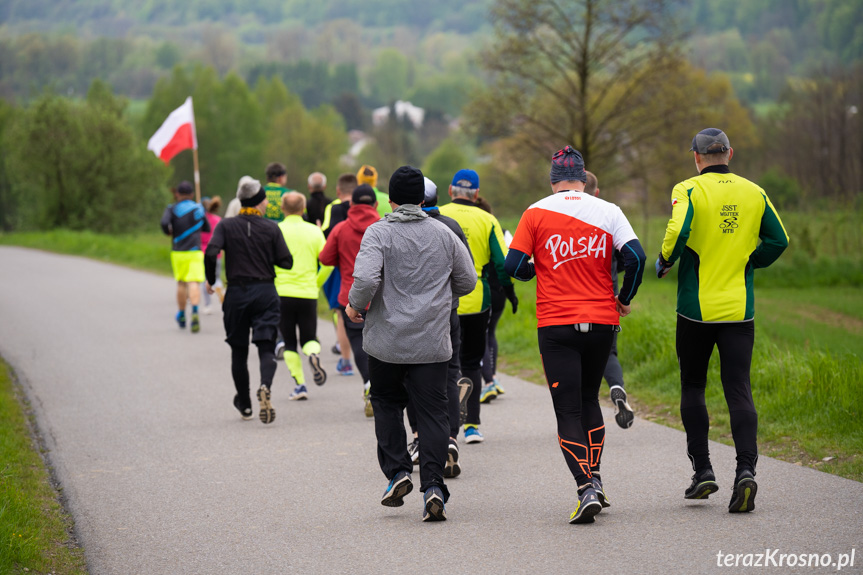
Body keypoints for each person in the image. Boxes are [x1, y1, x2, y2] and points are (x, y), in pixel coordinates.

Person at [504, 145, 646, 524]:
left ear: (552, 180)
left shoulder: (535, 213)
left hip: (556, 324)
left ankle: (585, 487)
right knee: (588, 399)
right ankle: (596, 479)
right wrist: (624, 297)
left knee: (566, 408)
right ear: (583, 178)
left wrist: (536, 272)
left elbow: (513, 265)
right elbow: (637, 256)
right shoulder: (610, 210)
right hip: (601, 321)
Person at [656, 128, 788, 513]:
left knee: (693, 386)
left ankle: (703, 472)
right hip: (738, 309)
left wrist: (666, 259)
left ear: (696, 157)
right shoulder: (755, 191)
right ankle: (746, 471)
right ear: (730, 152)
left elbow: (678, 231)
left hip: (695, 310)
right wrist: (750, 262)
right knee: (738, 387)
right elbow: (779, 240)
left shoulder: (688, 189)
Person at [346, 165, 475, 522]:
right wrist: (437, 296)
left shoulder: (377, 233)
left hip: (386, 342)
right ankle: (433, 486)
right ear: (422, 198)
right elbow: (467, 281)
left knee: (386, 402)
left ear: (390, 199)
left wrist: (356, 307)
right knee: (434, 413)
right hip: (432, 343)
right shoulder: (444, 233)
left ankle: (398, 473)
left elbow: (367, 278)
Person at [204, 179, 293, 424]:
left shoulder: (226, 225)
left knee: (239, 351)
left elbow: (211, 252)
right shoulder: (271, 228)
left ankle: (245, 405)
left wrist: (211, 279)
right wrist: (267, 254)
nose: (266, 204)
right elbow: (287, 262)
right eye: (264, 200)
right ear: (258, 202)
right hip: (265, 291)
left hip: (237, 293)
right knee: (266, 346)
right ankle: (265, 386)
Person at [439, 169, 517, 444]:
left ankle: (447, 430)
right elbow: (502, 263)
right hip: (475, 300)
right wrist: (510, 292)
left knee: (445, 365)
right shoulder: (488, 219)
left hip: (441, 302)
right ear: (477, 194)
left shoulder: (436, 214)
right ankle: (472, 425)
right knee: (472, 363)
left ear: (450, 191)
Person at [405, 177, 474, 478]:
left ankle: (420, 436)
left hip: (407, 316)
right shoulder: (451, 227)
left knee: (409, 373)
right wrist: (448, 297)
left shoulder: (396, 227)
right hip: (447, 314)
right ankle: (449, 438)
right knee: (450, 372)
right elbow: (467, 274)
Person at [318, 184, 382, 416]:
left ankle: (369, 383)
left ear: (351, 205)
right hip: (383, 298)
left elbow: (325, 258)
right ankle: (383, 387)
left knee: (358, 342)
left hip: (351, 296)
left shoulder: (341, 229)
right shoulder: (384, 227)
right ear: (375, 205)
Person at [584, 171, 635, 429]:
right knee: (607, 352)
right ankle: (616, 387)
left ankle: (583, 417)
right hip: (606, 299)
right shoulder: (609, 216)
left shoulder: (562, 217)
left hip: (569, 303)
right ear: (597, 192)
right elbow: (631, 256)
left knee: (576, 357)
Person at [276, 192, 332, 401]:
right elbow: (328, 262)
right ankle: (314, 355)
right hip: (307, 292)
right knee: (309, 337)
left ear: (282, 209)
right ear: (303, 210)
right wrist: (316, 283)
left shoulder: (276, 230)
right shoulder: (314, 232)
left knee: (289, 342)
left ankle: (300, 385)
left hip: (282, 292)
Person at [474, 196, 516, 404]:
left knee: (479, 336)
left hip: (483, 292)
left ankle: (489, 382)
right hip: (500, 291)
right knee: (490, 333)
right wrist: (510, 291)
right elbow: (507, 261)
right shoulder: (501, 230)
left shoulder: (474, 229)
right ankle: (494, 379)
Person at [160, 181, 211, 333]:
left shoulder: (172, 208)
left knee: (181, 284)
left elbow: (164, 223)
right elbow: (207, 228)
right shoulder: (198, 208)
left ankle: (182, 314)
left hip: (178, 251)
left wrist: (169, 231)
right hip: (194, 251)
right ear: (192, 194)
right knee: (193, 282)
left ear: (177, 194)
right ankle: (195, 312)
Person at [322, 173, 359, 376]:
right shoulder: (365, 210)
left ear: (338, 191)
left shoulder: (334, 209)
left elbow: (328, 234)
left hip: (341, 268)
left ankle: (346, 361)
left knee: (342, 314)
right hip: (365, 267)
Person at [200, 196, 223, 314]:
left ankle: (208, 304)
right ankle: (221, 292)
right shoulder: (218, 220)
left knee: (205, 279)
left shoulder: (200, 221)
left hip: (203, 252)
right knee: (217, 277)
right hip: (217, 252)